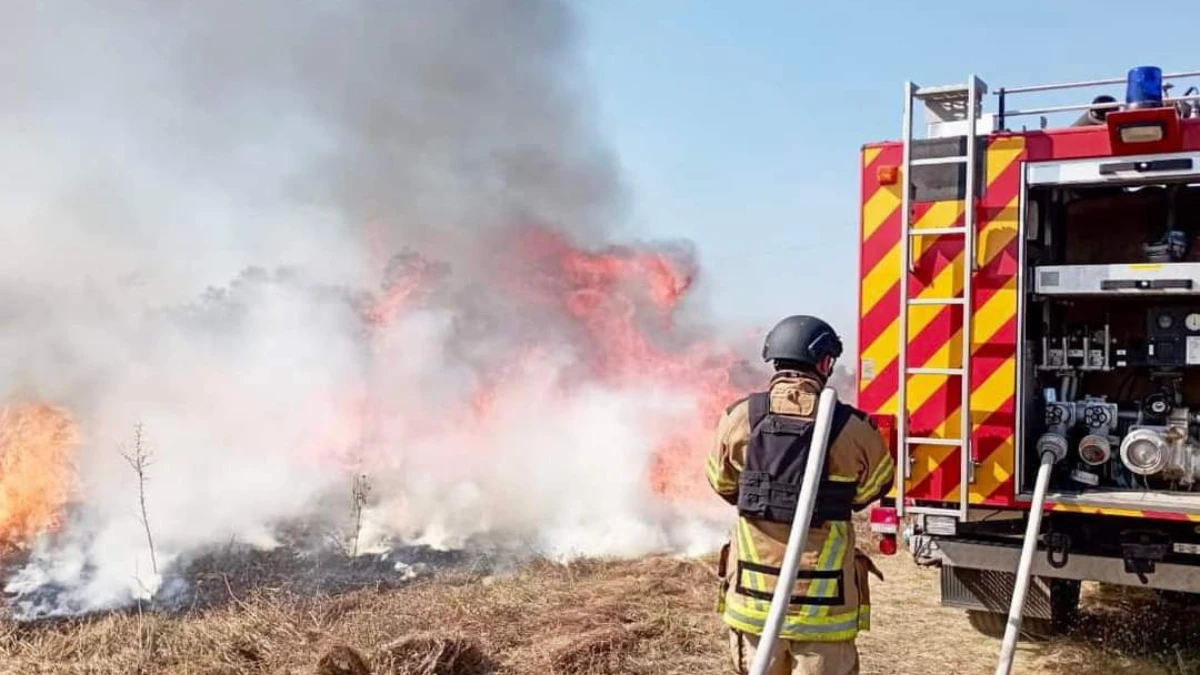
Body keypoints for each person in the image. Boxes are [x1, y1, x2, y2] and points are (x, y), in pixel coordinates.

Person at [706, 315, 895, 675]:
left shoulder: (739, 418)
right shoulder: (853, 427)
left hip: (754, 603)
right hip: (824, 611)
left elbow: (721, 482)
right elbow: (876, 485)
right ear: (825, 363)